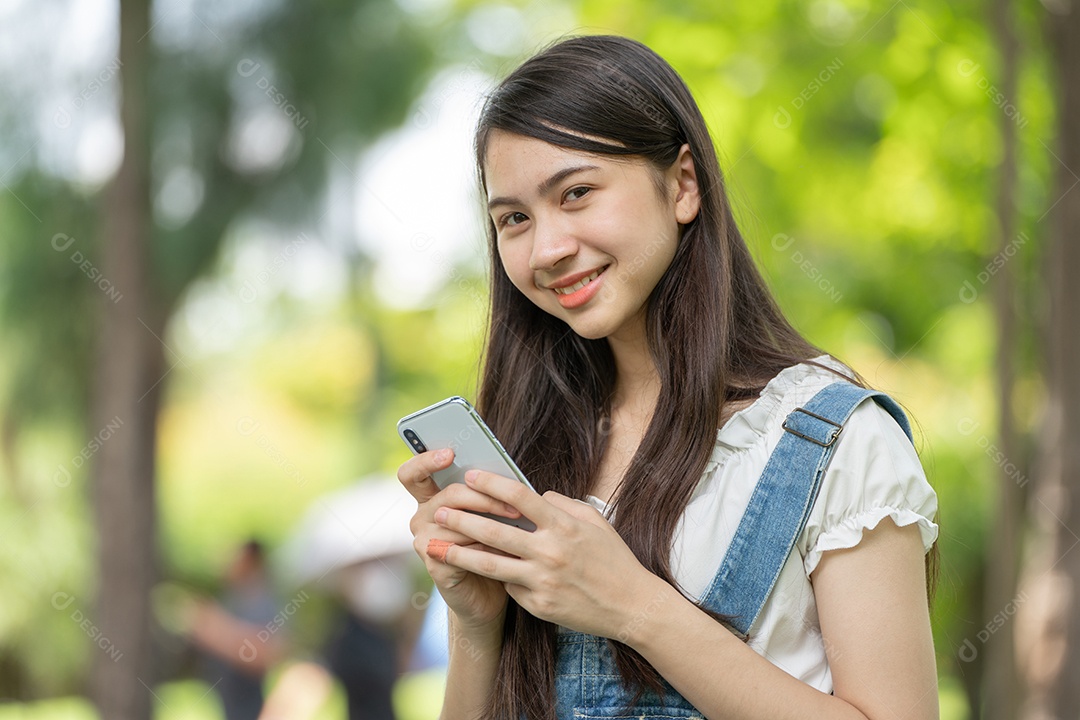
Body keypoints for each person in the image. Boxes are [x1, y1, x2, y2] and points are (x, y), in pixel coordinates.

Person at [396, 34, 939, 720]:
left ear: (682, 185)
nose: (547, 249)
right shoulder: (535, 443)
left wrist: (636, 607)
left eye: (578, 192)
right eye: (514, 219)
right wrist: (476, 622)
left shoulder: (832, 439)